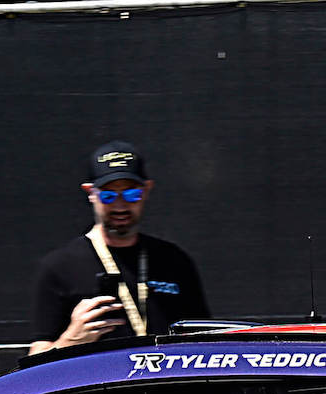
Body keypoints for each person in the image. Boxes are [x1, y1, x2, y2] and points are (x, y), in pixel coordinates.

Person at [30, 141, 212, 355]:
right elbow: (35, 359)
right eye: (108, 196)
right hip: (98, 385)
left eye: (131, 194)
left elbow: (206, 338)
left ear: (146, 191)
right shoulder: (59, 267)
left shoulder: (174, 260)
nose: (120, 205)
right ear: (90, 192)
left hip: (166, 384)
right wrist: (71, 339)